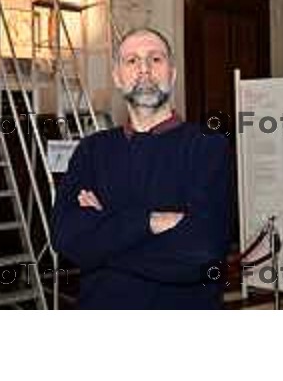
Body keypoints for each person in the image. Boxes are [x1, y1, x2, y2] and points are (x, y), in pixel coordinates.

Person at [51, 28, 230, 309]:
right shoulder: (92, 150)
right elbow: (66, 238)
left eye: (155, 59)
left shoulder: (208, 147)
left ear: (172, 74)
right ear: (118, 78)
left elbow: (200, 252)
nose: (144, 69)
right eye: (131, 61)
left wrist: (102, 237)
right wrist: (151, 222)